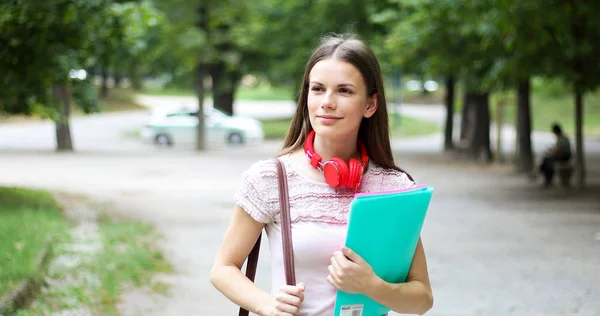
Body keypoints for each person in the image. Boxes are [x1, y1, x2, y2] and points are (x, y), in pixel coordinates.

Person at [210, 33, 433, 316]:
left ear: (370, 105)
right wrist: (267, 304)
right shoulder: (271, 178)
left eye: (345, 91)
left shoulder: (394, 187)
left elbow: (422, 299)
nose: (327, 102)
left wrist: (371, 285)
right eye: (317, 89)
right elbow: (223, 269)